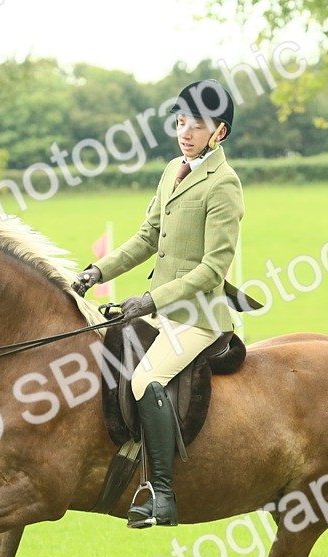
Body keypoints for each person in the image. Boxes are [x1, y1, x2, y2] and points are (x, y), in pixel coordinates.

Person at [71, 79, 248, 528]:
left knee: (143, 380)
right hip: (160, 310)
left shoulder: (224, 185)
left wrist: (150, 298)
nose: (186, 131)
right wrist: (98, 272)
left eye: (198, 124)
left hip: (199, 316)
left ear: (220, 132)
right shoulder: (174, 169)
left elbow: (212, 268)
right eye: (181, 121)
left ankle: (163, 496)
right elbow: (148, 236)